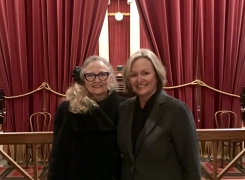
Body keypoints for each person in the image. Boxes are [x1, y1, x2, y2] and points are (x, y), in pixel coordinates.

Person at [117, 49, 201, 180]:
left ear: (157, 74)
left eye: (145, 73)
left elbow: (191, 165)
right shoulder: (124, 108)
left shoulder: (177, 110)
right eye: (133, 75)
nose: (139, 79)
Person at [48, 55, 126, 180]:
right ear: (83, 79)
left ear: (111, 78)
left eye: (102, 74)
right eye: (90, 75)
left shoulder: (124, 106)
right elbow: (59, 154)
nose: (96, 80)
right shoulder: (69, 108)